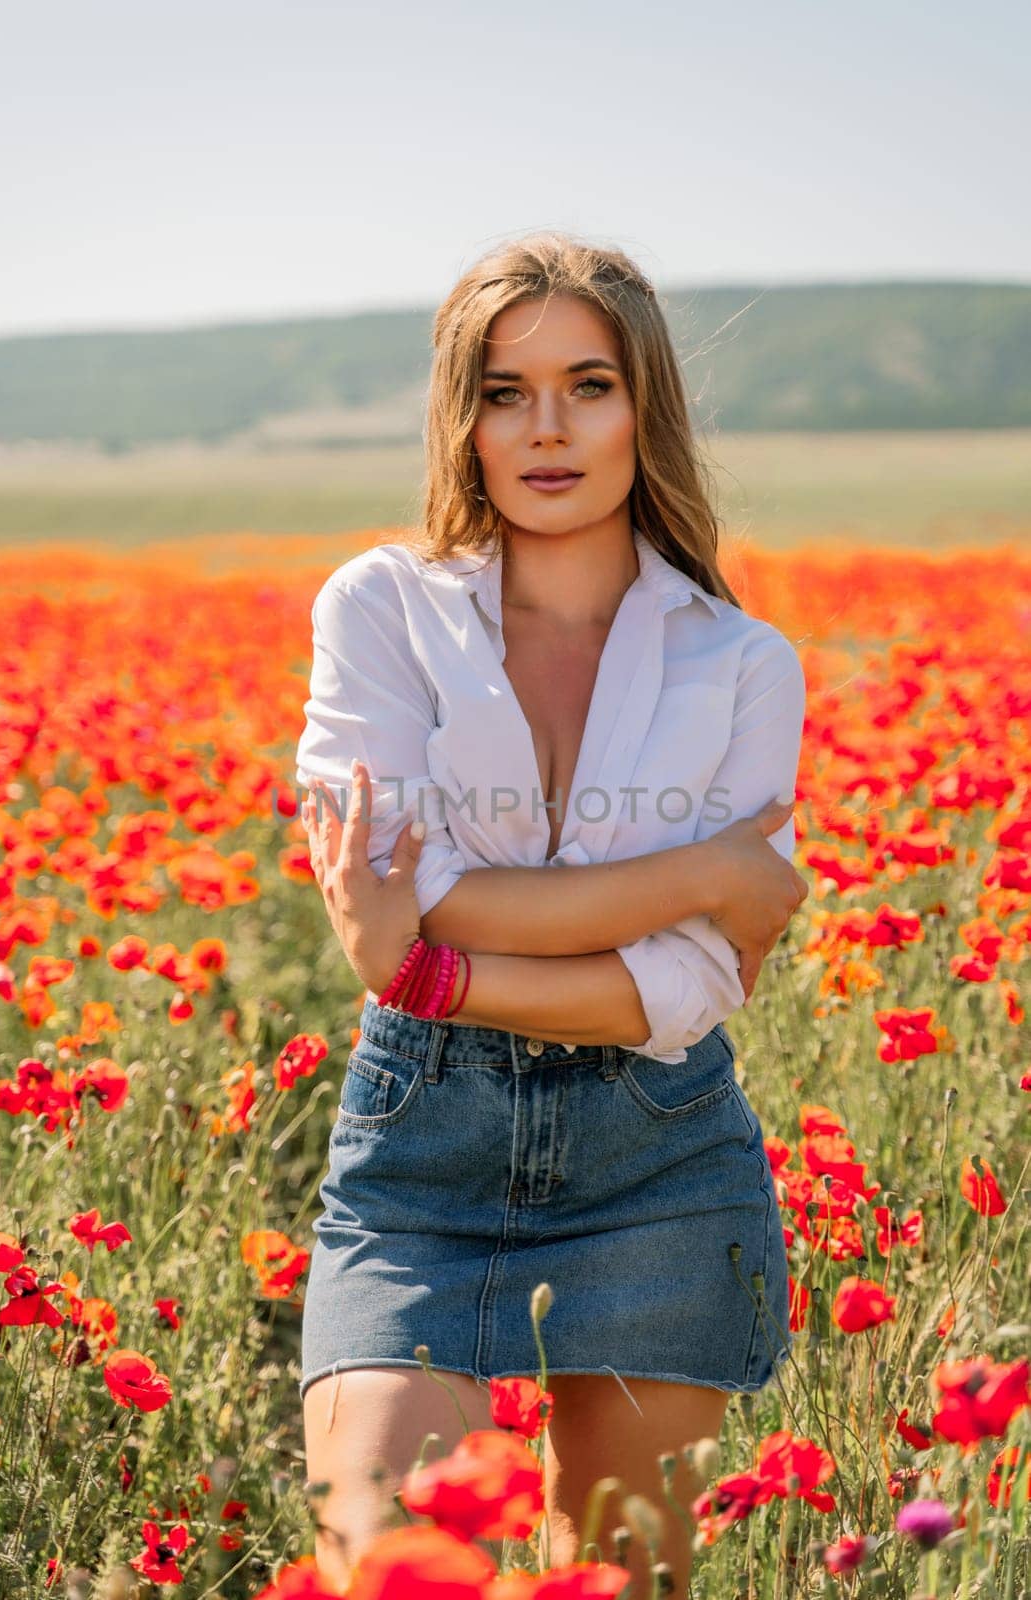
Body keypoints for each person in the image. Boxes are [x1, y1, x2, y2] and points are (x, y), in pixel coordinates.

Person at [296, 233, 808, 1594]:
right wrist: (701, 873)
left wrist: (438, 974)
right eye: (504, 390)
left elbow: (688, 986)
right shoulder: (385, 611)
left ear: (646, 405)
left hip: (660, 1156)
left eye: (587, 384)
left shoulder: (742, 662)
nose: (546, 428)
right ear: (461, 419)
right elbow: (431, 894)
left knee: (620, 1582)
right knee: (385, 1556)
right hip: (423, 1155)